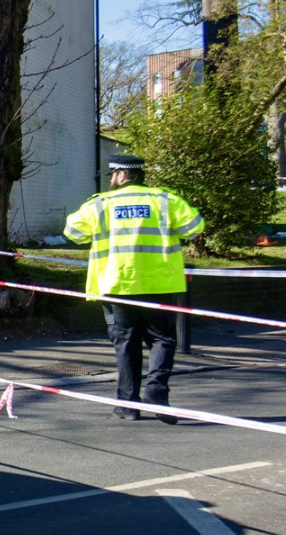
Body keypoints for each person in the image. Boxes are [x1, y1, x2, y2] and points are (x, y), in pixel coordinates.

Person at [63, 155, 205, 423]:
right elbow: (195, 227)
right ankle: (157, 391)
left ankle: (128, 406)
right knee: (162, 340)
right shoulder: (165, 200)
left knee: (126, 345)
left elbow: (72, 231)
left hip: (116, 284)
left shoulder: (101, 204)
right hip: (159, 284)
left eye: (112, 175)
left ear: (119, 175)